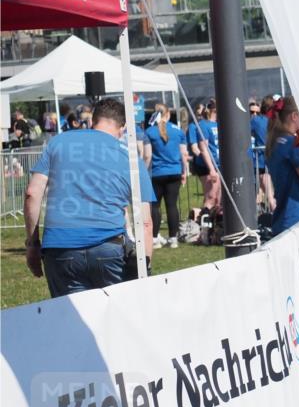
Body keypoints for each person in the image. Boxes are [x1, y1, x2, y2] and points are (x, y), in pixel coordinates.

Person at [23, 98, 155, 298]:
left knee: (70, 322)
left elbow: (32, 193)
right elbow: (145, 222)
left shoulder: (58, 142)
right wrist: (145, 266)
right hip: (108, 246)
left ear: (93, 120)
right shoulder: (129, 156)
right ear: (122, 127)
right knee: (116, 318)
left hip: (60, 249)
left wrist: (33, 244)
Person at [265, 96, 299, 235]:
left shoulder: (275, 142)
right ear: (294, 116)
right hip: (298, 217)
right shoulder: (292, 143)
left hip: (283, 217)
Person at [143, 104, 189, 249]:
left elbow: (148, 155)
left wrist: (144, 173)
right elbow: (184, 154)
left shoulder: (149, 132)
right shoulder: (178, 131)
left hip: (156, 173)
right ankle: (173, 238)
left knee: (155, 207)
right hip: (174, 172)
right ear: (168, 114)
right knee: (172, 205)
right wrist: (185, 172)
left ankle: (155, 238)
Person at [249, 97, 274, 211]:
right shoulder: (275, 121)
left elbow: (245, 132)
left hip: (262, 162)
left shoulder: (256, 121)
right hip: (272, 160)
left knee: (268, 195)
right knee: (267, 193)